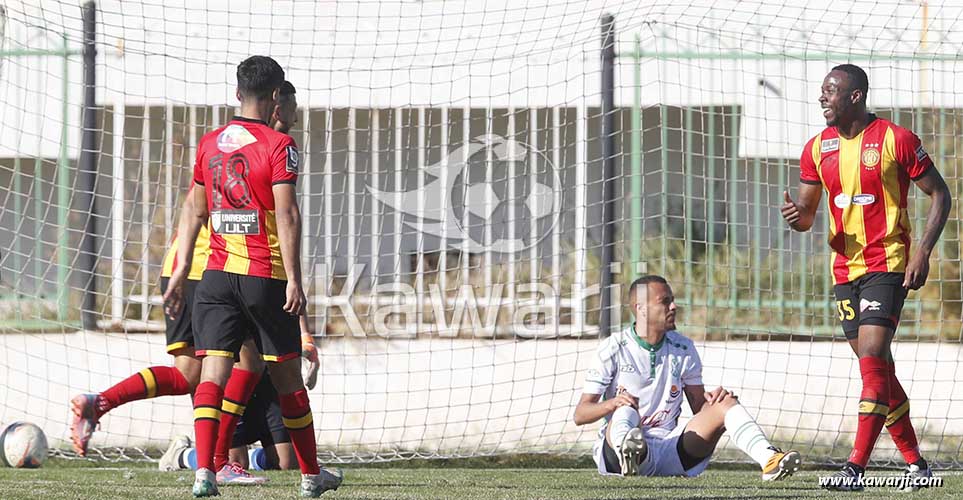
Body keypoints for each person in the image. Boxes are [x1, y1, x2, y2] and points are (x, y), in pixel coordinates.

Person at [163, 57, 340, 497]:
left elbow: (193, 208)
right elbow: (287, 211)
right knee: (288, 382)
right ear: (276, 95)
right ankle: (311, 476)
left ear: (238, 91)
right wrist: (295, 279)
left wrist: (182, 268)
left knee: (212, 375)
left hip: (216, 278)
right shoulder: (280, 144)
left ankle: (205, 471)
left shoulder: (209, 144)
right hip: (264, 277)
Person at [781, 64, 951, 491]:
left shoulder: (896, 139)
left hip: (888, 265)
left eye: (830, 91)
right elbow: (806, 215)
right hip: (844, 271)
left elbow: (940, 194)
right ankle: (916, 465)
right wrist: (796, 218)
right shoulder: (817, 148)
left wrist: (923, 251)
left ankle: (854, 468)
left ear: (855, 96)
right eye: (821, 91)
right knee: (880, 373)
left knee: (873, 363)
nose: (822, 98)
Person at [574, 275, 801, 480]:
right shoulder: (613, 348)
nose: (674, 306)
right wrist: (613, 403)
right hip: (616, 448)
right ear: (640, 308)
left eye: (672, 300)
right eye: (665, 301)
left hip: (669, 449)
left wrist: (714, 402)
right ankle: (629, 453)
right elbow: (581, 414)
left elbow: (699, 410)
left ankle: (769, 459)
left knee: (726, 405)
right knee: (626, 411)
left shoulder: (683, 347)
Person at [68, 191, 210, 457]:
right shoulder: (226, 156)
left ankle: (100, 402)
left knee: (189, 376)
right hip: (204, 273)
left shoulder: (223, 155)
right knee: (234, 363)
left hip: (190, 269)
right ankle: (213, 459)